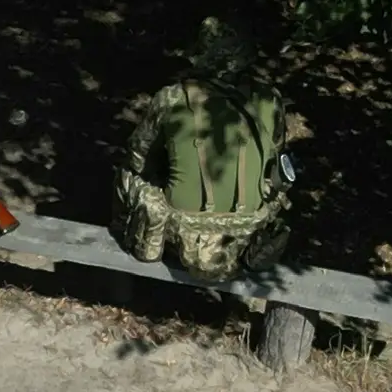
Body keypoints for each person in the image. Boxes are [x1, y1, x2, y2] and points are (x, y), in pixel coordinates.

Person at [113, 18, 290, 282]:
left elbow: (138, 158)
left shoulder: (172, 98)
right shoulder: (270, 98)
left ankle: (136, 253)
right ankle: (251, 255)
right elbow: (275, 158)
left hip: (182, 231)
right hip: (248, 230)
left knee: (126, 175)